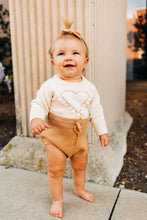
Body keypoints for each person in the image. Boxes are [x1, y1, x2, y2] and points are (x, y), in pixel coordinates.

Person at [30, 20, 109, 218]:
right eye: (61, 53)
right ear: (53, 62)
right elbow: (38, 104)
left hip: (79, 137)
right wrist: (36, 119)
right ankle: (57, 199)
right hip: (56, 135)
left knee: (80, 165)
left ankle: (78, 188)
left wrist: (102, 131)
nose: (69, 58)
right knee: (56, 169)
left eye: (75, 53)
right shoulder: (51, 86)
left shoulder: (89, 88)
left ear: (85, 61)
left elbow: (96, 111)